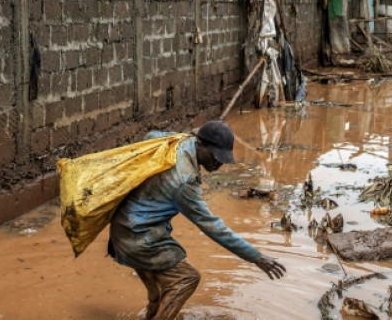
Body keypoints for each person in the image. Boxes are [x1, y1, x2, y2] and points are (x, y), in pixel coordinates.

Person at [108, 120, 286, 319]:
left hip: (123, 227)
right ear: (201, 145)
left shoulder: (179, 141)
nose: (218, 164)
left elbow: (151, 135)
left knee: (158, 294)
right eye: (215, 156)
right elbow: (213, 227)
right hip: (139, 238)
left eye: (222, 159)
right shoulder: (184, 182)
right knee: (187, 279)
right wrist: (256, 257)